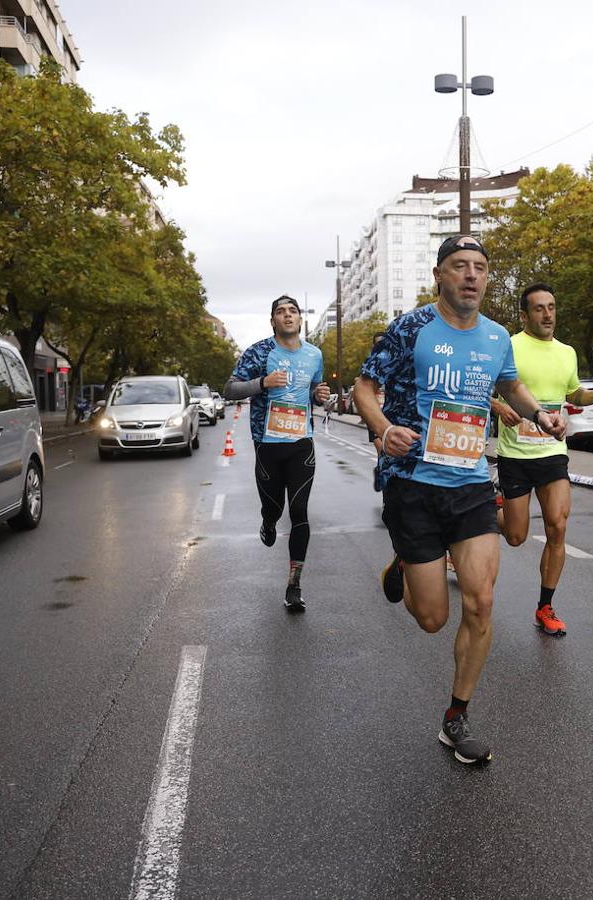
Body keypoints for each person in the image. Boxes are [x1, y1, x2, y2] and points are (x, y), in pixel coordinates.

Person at [354, 235, 564, 765]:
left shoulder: (497, 337)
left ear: (487, 278)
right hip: (412, 482)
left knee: (483, 600)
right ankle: (405, 560)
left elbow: (511, 385)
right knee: (432, 618)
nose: (471, 275)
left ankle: (456, 718)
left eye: (479, 268)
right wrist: (382, 429)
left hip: (470, 482)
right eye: (459, 267)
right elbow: (363, 387)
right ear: (439, 277)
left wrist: (540, 414)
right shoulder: (410, 329)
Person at [489, 283, 593, 636]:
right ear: (524, 315)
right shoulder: (508, 346)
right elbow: (484, 387)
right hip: (515, 454)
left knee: (558, 526)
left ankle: (545, 606)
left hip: (552, 451)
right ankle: (488, 511)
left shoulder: (567, 352)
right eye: (539, 308)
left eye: (552, 307)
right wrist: (498, 404)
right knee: (515, 536)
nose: (548, 314)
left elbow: (572, 390)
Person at [223, 296, 330, 611]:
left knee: (299, 510)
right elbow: (229, 390)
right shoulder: (259, 352)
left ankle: (294, 584)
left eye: (292, 312)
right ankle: (268, 521)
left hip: (301, 443)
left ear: (299, 320)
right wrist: (262, 383)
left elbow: (315, 391)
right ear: (272, 321)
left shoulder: (315, 354)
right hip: (267, 445)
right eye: (280, 312)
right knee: (274, 508)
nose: (287, 316)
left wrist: (319, 395)